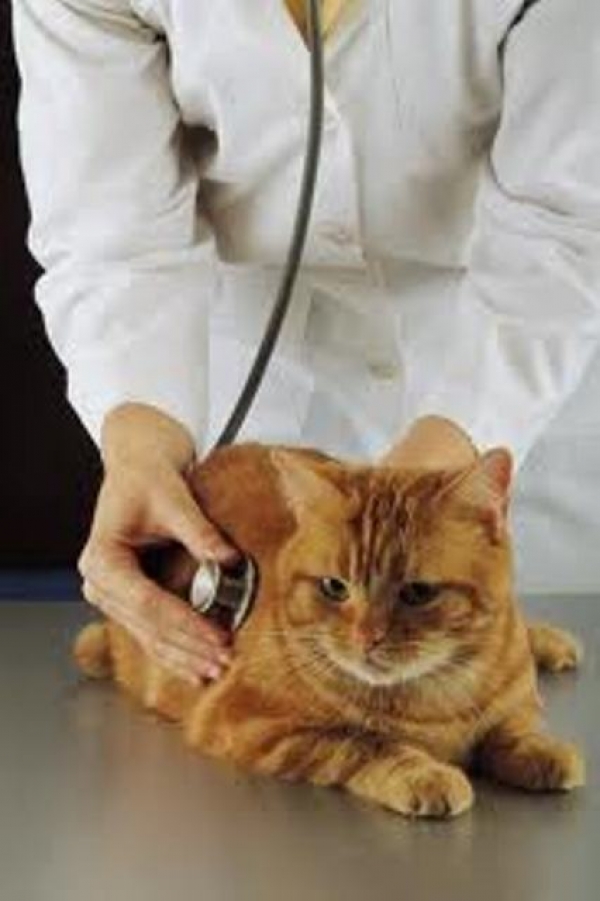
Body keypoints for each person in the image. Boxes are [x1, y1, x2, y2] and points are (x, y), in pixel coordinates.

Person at [12, 0, 600, 684]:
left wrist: (432, 499)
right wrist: (140, 446)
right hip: (263, 399)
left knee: (544, 708)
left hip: (515, 377)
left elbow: (566, 224)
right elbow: (111, 235)